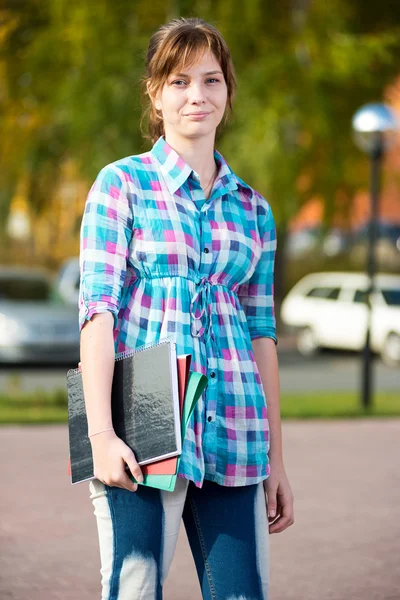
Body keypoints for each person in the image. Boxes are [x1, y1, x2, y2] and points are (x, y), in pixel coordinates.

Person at [78, 16, 294, 600]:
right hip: (143, 417)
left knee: (243, 594)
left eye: (211, 80)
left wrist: (276, 460)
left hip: (237, 427)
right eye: (178, 81)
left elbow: (262, 336)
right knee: (135, 587)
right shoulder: (120, 185)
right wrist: (101, 433)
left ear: (227, 92)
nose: (196, 95)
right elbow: (97, 313)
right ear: (155, 93)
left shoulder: (254, 209)